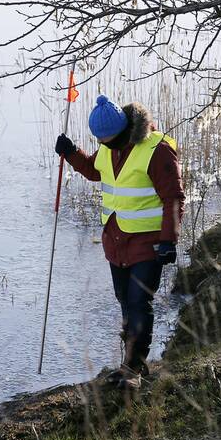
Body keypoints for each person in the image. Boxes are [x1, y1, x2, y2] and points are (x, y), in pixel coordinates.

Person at [55, 95, 185, 389]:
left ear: (127, 129)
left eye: (113, 141)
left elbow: (173, 198)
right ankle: (130, 365)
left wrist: (169, 240)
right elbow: (95, 169)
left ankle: (133, 371)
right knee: (126, 303)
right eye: (103, 142)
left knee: (140, 303)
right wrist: (72, 153)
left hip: (149, 242)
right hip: (116, 241)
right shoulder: (107, 148)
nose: (108, 146)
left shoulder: (157, 150)